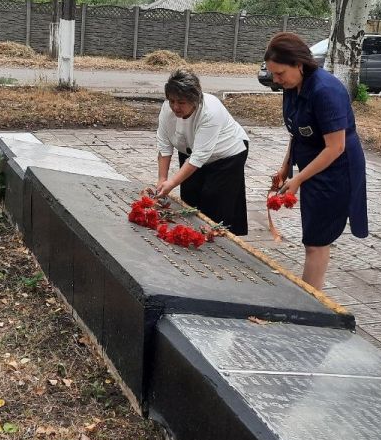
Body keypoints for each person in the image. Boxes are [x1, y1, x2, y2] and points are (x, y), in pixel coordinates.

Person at [264, 32, 368, 289]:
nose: (276, 80)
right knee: (313, 235)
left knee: (316, 241)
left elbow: (336, 147)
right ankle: (310, 297)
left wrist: (299, 178)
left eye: (280, 73)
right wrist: (286, 167)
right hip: (311, 165)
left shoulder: (325, 91)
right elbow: (296, 132)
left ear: (299, 64)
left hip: (336, 168)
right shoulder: (292, 86)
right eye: (273, 74)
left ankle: (311, 300)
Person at [154, 68, 250, 235]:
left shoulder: (210, 111)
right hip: (190, 151)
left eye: (181, 102)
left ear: (195, 99)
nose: (175, 107)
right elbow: (164, 145)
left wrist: (171, 183)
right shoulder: (167, 109)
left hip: (226, 155)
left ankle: (220, 242)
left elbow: (199, 157)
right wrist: (162, 179)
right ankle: (191, 236)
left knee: (215, 201)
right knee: (190, 198)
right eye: (172, 101)